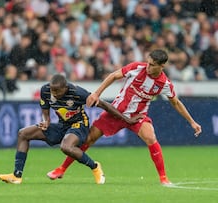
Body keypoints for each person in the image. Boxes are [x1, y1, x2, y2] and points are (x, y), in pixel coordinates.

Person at [47, 49, 202, 185]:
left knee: (150, 137)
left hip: (137, 117)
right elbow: (114, 76)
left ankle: (163, 178)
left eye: (152, 65)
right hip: (115, 113)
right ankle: (61, 169)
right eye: (148, 63)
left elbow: (176, 103)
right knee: (88, 139)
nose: (148, 67)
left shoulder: (164, 84)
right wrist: (96, 93)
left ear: (162, 66)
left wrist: (192, 122)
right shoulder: (136, 68)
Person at [0, 74, 142, 184]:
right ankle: (16, 175)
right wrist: (46, 121)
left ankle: (95, 166)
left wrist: (127, 119)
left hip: (79, 124)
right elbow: (45, 109)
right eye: (52, 90)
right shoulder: (45, 90)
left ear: (65, 88)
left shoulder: (78, 93)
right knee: (23, 133)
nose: (54, 94)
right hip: (62, 125)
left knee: (66, 147)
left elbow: (105, 105)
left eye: (57, 91)